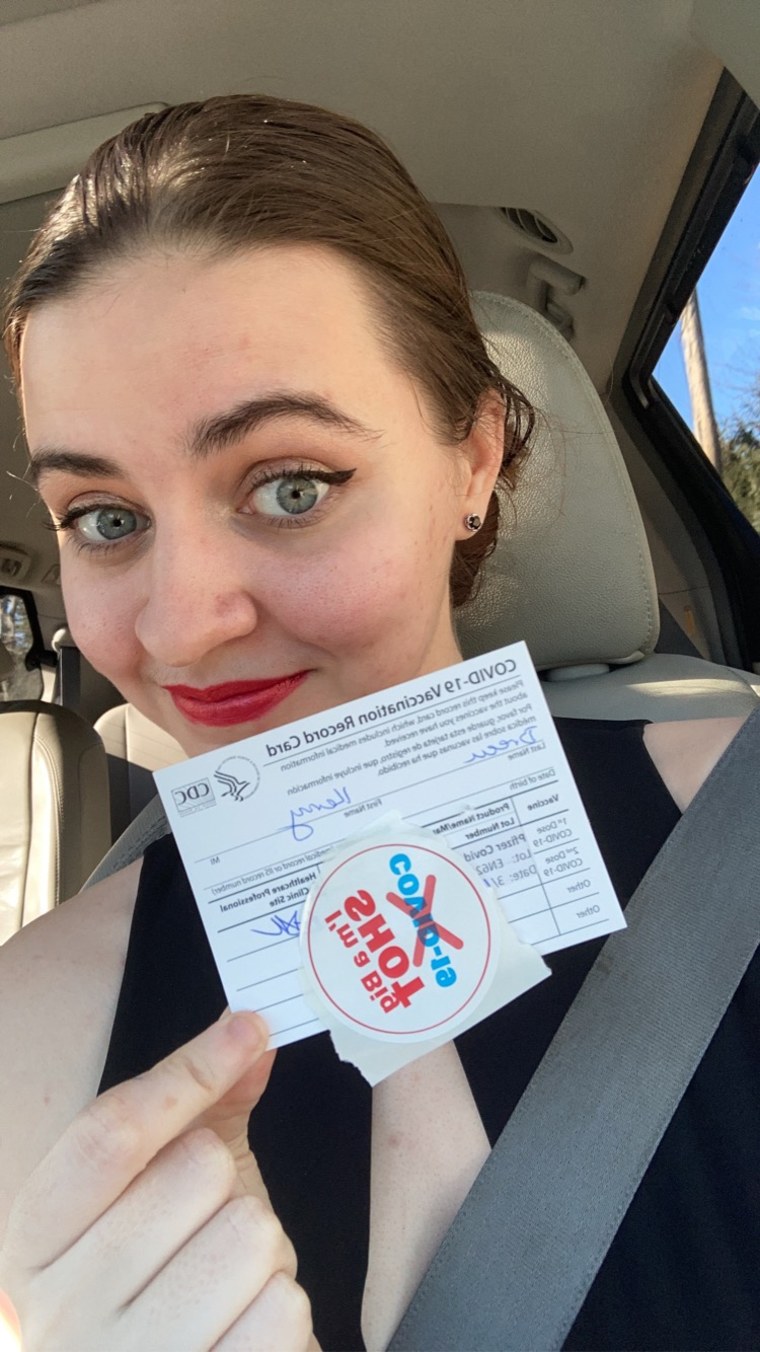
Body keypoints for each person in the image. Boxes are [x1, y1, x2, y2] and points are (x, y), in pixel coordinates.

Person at [0, 95, 755, 1352]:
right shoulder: (30, 1030)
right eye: (105, 517)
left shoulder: (739, 824)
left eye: (291, 485)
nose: (181, 626)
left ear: (470, 459)